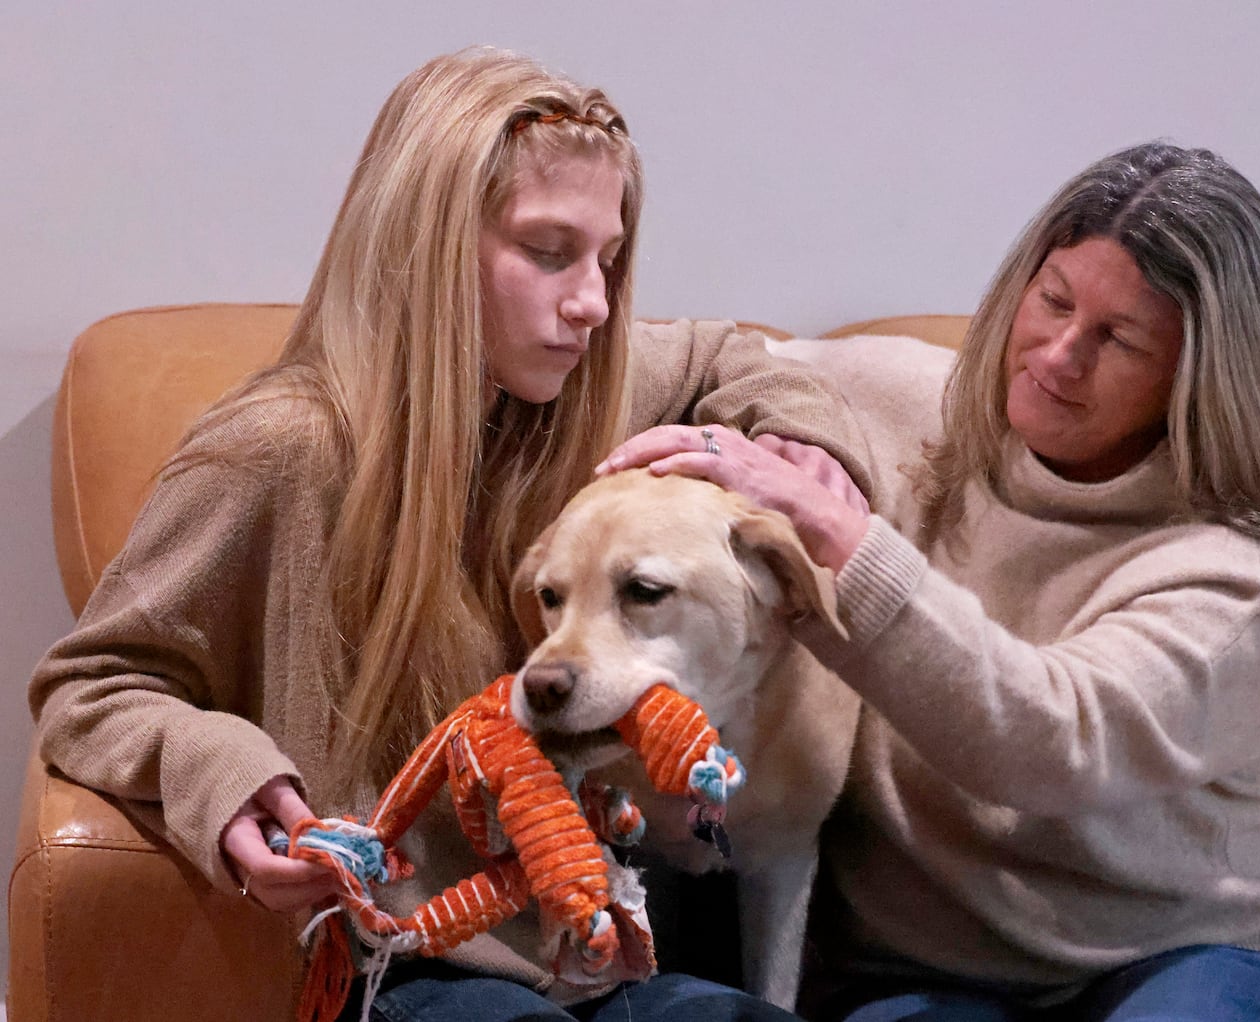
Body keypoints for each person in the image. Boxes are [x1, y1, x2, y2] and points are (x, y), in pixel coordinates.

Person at [29, 48, 871, 1022]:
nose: (593, 301)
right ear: (428, 242)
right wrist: (225, 780)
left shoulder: (585, 385)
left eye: (609, 258)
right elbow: (91, 684)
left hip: (606, 937)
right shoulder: (276, 451)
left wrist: (802, 453)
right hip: (410, 962)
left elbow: (745, 357)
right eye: (551, 252)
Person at [601, 142, 1260, 1021]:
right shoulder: (916, 405)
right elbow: (711, 357)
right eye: (1054, 301)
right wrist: (801, 435)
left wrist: (842, 535)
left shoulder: (1232, 576)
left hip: (1183, 958)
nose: (1058, 356)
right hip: (927, 976)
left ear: (1197, 381)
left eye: (1118, 339)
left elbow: (1046, 739)